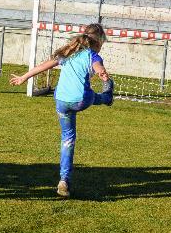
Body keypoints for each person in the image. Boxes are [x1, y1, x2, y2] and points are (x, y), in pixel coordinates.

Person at [9, 24, 114, 198]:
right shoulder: (93, 55)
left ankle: (64, 180)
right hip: (81, 100)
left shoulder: (68, 53)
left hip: (61, 102)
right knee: (93, 97)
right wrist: (103, 75)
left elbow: (45, 65)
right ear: (99, 41)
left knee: (67, 138)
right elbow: (98, 67)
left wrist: (24, 77)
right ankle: (106, 97)